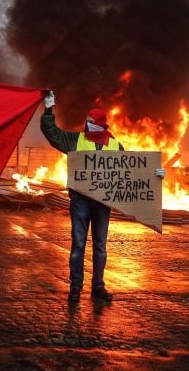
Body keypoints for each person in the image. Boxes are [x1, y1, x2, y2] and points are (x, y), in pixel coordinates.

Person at [40, 91, 165, 302]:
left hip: (103, 202)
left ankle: (98, 287)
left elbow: (131, 171)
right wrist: (49, 110)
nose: (88, 125)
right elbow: (53, 134)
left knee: (100, 246)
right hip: (80, 200)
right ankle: (75, 288)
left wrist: (155, 174)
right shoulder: (75, 140)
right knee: (78, 244)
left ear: (102, 124)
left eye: (92, 122)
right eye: (86, 121)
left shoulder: (115, 146)